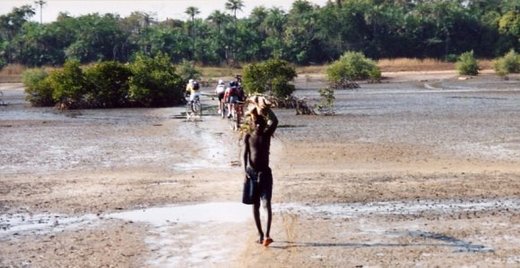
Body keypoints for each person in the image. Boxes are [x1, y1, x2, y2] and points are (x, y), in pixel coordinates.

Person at [242, 96, 278, 247]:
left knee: (266, 204)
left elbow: (275, 121)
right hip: (251, 173)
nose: (258, 125)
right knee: (255, 205)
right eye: (255, 122)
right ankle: (260, 233)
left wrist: (266, 109)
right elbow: (244, 154)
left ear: (264, 124)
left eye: (260, 123)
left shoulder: (266, 135)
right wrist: (244, 171)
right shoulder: (248, 136)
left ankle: (267, 235)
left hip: (265, 173)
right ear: (251, 123)